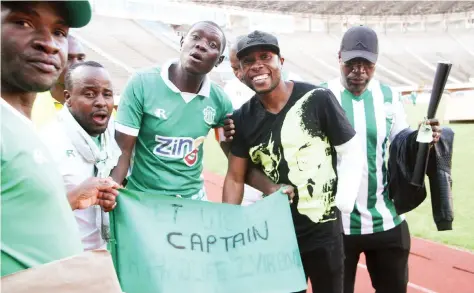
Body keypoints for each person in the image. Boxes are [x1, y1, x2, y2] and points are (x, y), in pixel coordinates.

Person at [222, 30, 364, 293]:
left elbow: (351, 150)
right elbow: (234, 176)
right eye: (248, 61)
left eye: (265, 56)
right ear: (240, 71)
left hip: (324, 231)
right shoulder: (242, 118)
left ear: (281, 61)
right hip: (277, 234)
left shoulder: (317, 99)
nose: (257, 66)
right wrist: (227, 226)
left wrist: (344, 197)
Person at [0, 1, 120, 277]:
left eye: (60, 32)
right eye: (23, 22)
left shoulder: (22, 127)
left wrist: (74, 199)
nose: (50, 44)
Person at [320, 25, 442, 293]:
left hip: (387, 220)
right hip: (336, 226)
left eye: (367, 65)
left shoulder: (388, 96)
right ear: (339, 57)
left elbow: (403, 143)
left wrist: (424, 136)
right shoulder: (320, 96)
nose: (358, 71)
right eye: (352, 63)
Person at [112, 21, 282, 200]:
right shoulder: (142, 83)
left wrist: (272, 188)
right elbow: (122, 152)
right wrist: (112, 189)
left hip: (193, 200)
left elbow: (236, 163)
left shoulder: (219, 101)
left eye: (212, 45)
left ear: (219, 60)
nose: (201, 45)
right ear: (182, 42)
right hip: (144, 197)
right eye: (195, 37)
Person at [40, 61, 121, 251]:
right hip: (62, 257)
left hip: (104, 254)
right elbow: (28, 214)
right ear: (68, 97)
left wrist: (112, 199)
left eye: (107, 94)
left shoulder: (115, 135)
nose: (101, 102)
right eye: (89, 94)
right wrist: (75, 198)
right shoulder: (48, 142)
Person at [31, 34, 86, 128]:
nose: (77, 65)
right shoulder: (32, 102)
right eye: (68, 58)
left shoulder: (95, 103)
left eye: (80, 58)